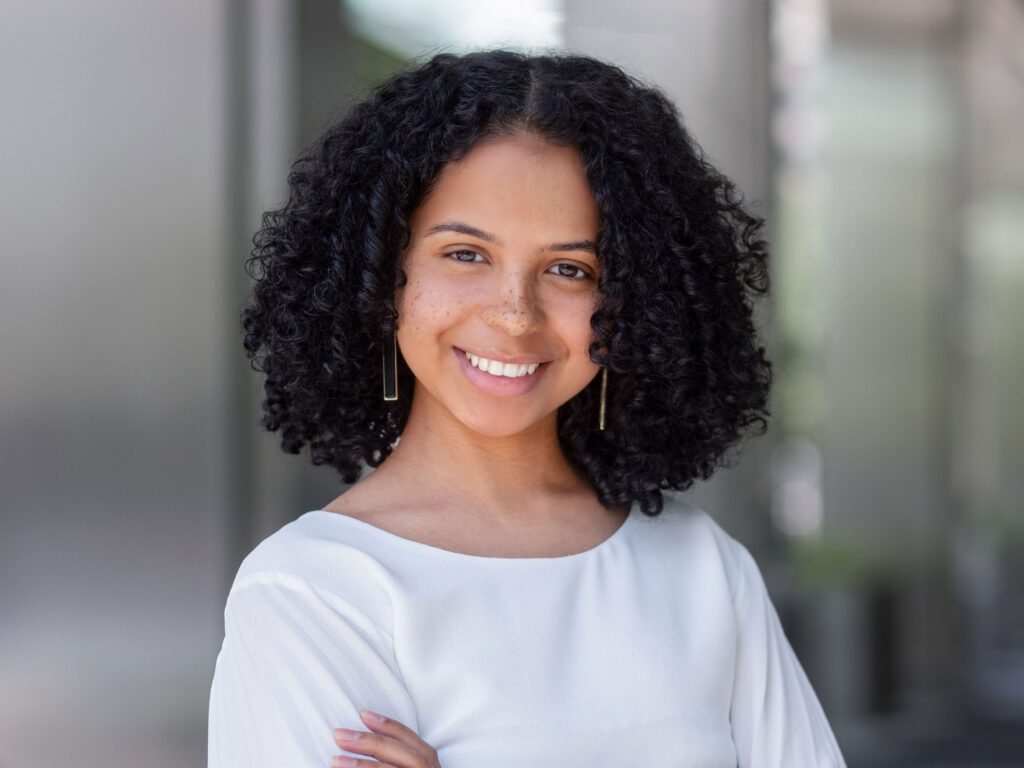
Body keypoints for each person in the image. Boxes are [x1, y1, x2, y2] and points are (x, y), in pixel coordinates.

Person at [207, 50, 846, 767]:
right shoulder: (315, 592)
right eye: (465, 254)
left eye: (570, 270)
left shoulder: (704, 574)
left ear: (634, 302)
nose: (515, 316)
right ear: (383, 273)